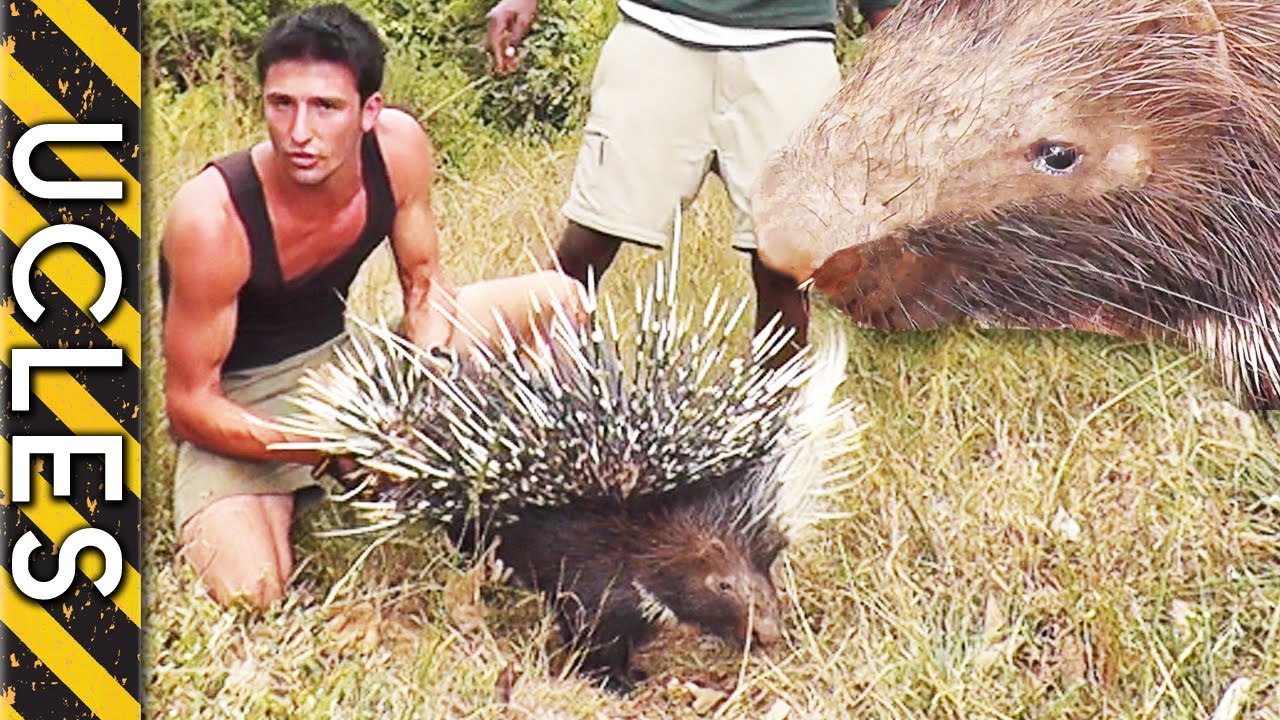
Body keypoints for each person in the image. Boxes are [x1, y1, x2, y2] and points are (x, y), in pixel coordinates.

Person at [161, 3, 582, 609]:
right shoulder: (211, 216)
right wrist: (331, 447)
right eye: (282, 104)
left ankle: (548, 494)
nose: (299, 133)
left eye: (326, 107)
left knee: (557, 299)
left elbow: (424, 286)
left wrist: (434, 384)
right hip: (243, 404)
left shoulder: (398, 147)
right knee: (251, 593)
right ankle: (292, 496)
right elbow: (189, 405)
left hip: (351, 366)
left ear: (369, 111)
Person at [486, 0, 897, 357]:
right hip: (658, 31)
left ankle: (773, 427)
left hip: (793, 41)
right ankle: (532, 388)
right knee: (591, 237)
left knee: (785, 265)